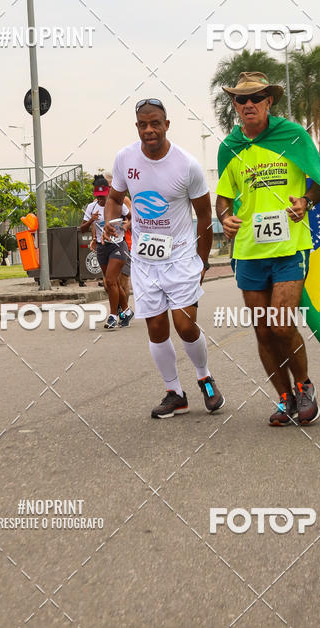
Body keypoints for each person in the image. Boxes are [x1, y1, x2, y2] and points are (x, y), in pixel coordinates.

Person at [215, 72, 320, 427]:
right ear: (235, 106)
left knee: (281, 324)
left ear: (269, 101)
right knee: (263, 330)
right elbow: (223, 199)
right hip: (248, 251)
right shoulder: (229, 147)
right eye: (241, 99)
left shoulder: (293, 137)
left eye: (256, 98)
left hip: (289, 247)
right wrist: (226, 217)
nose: (248, 104)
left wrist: (305, 202)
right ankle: (284, 397)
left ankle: (304, 386)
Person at [103, 98, 225, 419]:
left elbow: (203, 216)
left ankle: (204, 377)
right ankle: (175, 392)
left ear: (167, 125)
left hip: (182, 256)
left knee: (185, 326)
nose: (149, 130)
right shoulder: (125, 159)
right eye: (143, 124)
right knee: (156, 328)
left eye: (155, 123)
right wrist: (112, 225)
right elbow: (114, 199)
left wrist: (202, 261)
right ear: (137, 127)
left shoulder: (187, 165)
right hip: (146, 260)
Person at [80, 176, 133, 329]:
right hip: (102, 247)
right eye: (98, 197)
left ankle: (112, 316)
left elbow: (131, 218)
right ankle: (127, 311)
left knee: (110, 280)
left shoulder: (118, 204)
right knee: (112, 283)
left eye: (103, 197)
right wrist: (91, 220)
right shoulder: (91, 207)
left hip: (118, 246)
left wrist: (125, 226)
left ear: (108, 193)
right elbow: (82, 228)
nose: (101, 200)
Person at [104, 172, 134, 326]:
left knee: (122, 281)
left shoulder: (124, 200)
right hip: (108, 245)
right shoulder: (102, 202)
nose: (108, 189)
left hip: (125, 244)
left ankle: (122, 314)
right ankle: (121, 311)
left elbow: (134, 218)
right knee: (109, 281)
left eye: (109, 186)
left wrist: (126, 226)